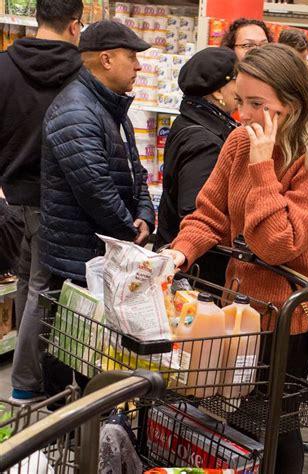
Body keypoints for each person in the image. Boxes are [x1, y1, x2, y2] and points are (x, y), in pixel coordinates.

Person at [162, 43, 308, 474]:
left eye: (257, 104)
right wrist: (179, 252)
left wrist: (264, 169)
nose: (243, 115)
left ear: (294, 103)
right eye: (239, 101)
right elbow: (211, 214)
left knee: (275, 425)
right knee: (234, 419)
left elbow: (278, 244)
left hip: (288, 321)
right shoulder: (238, 142)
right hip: (239, 310)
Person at [39, 21, 156, 397]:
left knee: (95, 355)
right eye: (131, 56)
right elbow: (94, 187)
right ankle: (66, 435)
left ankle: (90, 434)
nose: (138, 66)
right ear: (106, 59)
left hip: (99, 254)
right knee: (69, 353)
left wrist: (145, 213)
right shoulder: (77, 108)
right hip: (78, 260)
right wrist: (129, 227)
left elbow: (135, 171)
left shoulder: (110, 106)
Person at [0, 0, 84, 404]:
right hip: (56, 198)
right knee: (42, 290)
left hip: (11, 197)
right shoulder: (83, 72)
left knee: (25, 286)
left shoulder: (2, 66)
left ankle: (24, 370)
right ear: (75, 25)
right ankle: (26, 383)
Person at [154, 47, 239, 286]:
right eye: (236, 80)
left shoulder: (192, 119)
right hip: (197, 270)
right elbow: (197, 211)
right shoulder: (206, 142)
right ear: (219, 90)